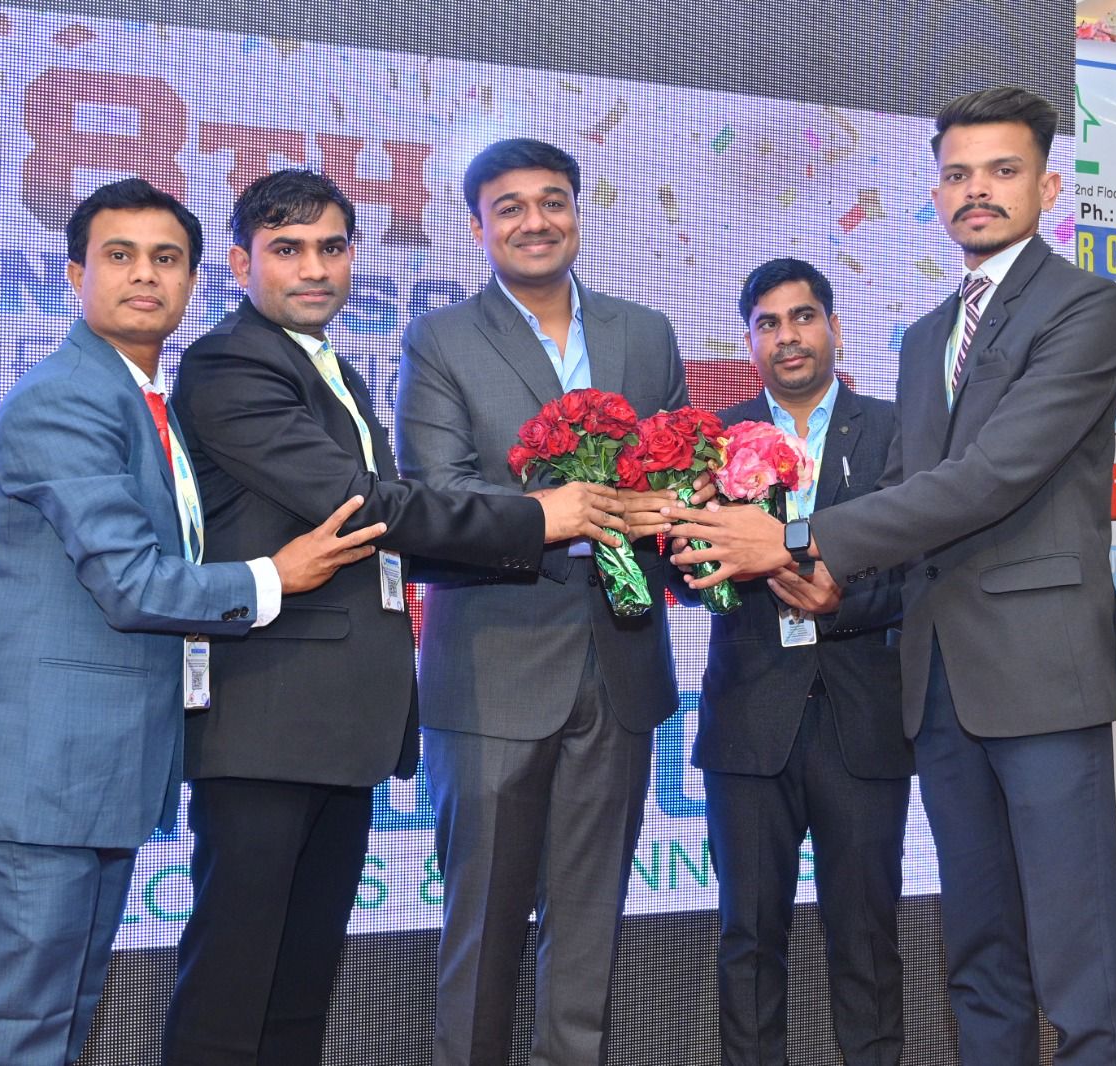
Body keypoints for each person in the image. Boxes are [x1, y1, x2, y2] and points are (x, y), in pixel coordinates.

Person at [671, 86, 1116, 1064]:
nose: (977, 190)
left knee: (1077, 957)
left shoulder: (1085, 307)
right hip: (934, 681)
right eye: (957, 174)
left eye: (1002, 170)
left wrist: (792, 542)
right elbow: (911, 497)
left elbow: (989, 478)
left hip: (1039, 670)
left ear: (1047, 186)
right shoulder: (928, 335)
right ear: (935, 194)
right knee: (979, 953)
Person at [160, 168, 624, 1066]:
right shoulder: (230, 363)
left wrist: (551, 536)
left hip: (338, 730)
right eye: (287, 249)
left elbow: (385, 541)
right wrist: (539, 517)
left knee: (297, 992)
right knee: (231, 992)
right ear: (239, 264)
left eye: (331, 247)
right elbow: (364, 508)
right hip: (266, 722)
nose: (314, 268)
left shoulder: (326, 366)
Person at [0, 177, 385, 1066]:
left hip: (97, 779)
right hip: (40, 778)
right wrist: (274, 575)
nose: (146, 275)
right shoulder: (67, 400)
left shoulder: (142, 401)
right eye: (120, 256)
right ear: (75, 276)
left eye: (167, 258)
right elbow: (131, 584)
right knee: (16, 1032)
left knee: (58, 1025)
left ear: (192, 280)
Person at [395, 137, 688, 1066]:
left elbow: (680, 476)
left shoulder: (646, 334)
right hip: (494, 668)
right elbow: (434, 499)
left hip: (621, 665)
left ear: (576, 212)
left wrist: (670, 510)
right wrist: (551, 513)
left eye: (552, 201)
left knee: (591, 932)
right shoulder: (441, 339)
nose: (535, 221)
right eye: (510, 206)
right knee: (482, 933)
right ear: (477, 227)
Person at [687, 258, 909, 1066]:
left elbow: (919, 574)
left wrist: (839, 600)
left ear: (835, 328)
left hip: (863, 719)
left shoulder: (894, 431)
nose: (788, 336)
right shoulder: (712, 443)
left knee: (867, 938)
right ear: (749, 341)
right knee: (747, 940)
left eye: (803, 317)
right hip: (750, 722)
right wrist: (694, 541)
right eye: (768, 324)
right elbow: (684, 575)